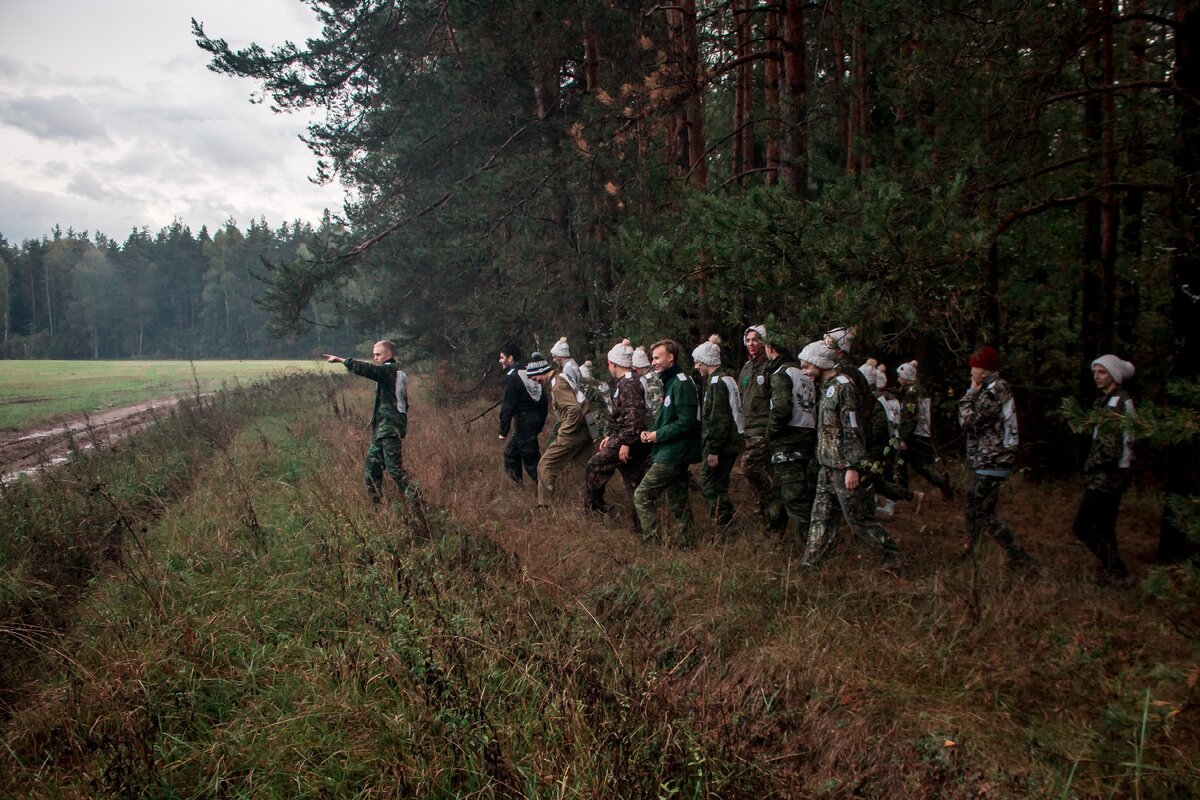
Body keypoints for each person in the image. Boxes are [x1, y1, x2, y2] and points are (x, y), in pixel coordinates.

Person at [798, 340, 901, 568]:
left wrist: (853, 467)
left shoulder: (844, 387)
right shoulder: (827, 387)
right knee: (820, 518)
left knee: (858, 520)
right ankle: (810, 564)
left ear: (818, 363)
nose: (804, 372)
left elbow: (852, 427)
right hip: (827, 465)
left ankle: (892, 557)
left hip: (844, 467)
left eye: (806, 367)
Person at [957, 345, 1034, 568]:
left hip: (993, 459)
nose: (971, 370)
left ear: (984, 369)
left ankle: (1017, 555)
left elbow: (970, 422)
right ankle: (974, 554)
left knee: (979, 510)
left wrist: (969, 395)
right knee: (979, 509)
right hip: (989, 459)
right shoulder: (992, 387)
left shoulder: (993, 390)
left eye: (974, 366)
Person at [1073, 354, 1137, 585]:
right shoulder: (1108, 400)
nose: (1096, 377)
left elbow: (1110, 448)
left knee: (1082, 526)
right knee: (1105, 527)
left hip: (1107, 476)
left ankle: (1117, 569)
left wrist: (1090, 466)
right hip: (1109, 475)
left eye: (1101, 372)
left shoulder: (1117, 403)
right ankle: (1113, 574)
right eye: (1094, 372)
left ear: (1114, 375)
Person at [324, 340, 415, 502]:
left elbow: (368, 370)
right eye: (373, 355)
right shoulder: (393, 373)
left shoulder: (390, 371)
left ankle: (420, 505)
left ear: (389, 355)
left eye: (378, 354)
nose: (375, 358)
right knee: (372, 470)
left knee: (395, 470)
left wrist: (342, 360)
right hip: (383, 430)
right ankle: (377, 507)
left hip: (389, 430)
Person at [635, 339, 702, 545]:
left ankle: (651, 541)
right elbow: (670, 418)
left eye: (657, 357)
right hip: (670, 450)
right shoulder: (669, 381)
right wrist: (652, 433)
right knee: (678, 498)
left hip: (675, 453)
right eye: (652, 358)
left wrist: (657, 435)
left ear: (670, 357)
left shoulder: (681, 383)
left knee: (642, 495)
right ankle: (688, 541)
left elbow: (686, 422)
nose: (653, 362)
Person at [584, 339, 652, 529]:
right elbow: (624, 417)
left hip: (631, 439)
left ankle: (595, 512)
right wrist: (612, 436)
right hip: (630, 438)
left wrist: (625, 443)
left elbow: (635, 420)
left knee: (594, 467)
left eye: (609, 364)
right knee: (634, 484)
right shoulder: (627, 382)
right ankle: (642, 528)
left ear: (613, 364)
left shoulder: (629, 384)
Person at [764, 333, 818, 541]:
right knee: (777, 493)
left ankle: (811, 545)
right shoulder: (803, 372)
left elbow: (781, 409)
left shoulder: (780, 374)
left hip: (787, 443)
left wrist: (770, 434)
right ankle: (774, 536)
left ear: (770, 348)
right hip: (807, 438)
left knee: (794, 498)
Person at [692, 334, 745, 527]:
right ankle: (727, 520)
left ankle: (723, 521)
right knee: (721, 483)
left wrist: (713, 449)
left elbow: (718, 418)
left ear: (706, 361)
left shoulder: (716, 383)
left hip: (721, 446)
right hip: (729, 444)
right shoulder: (726, 379)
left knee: (710, 484)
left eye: (698, 362)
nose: (696, 366)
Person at [860, 360, 922, 516]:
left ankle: (890, 503)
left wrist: (867, 441)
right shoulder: (891, 397)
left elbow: (880, 426)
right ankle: (898, 500)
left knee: (874, 477)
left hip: (881, 445)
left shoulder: (876, 399)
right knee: (882, 476)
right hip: (891, 442)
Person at [530, 357, 593, 507]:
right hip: (588, 429)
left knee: (545, 465)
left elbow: (574, 410)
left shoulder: (557, 385)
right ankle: (592, 506)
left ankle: (545, 507)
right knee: (582, 472)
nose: (534, 381)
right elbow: (584, 405)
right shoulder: (564, 377)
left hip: (575, 432)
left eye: (534, 377)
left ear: (541, 372)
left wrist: (564, 432)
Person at [895, 360, 954, 500]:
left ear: (906, 376)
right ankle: (942, 484)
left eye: (899, 376)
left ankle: (904, 494)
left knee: (901, 463)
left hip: (914, 435)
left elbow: (910, 418)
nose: (898, 379)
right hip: (922, 434)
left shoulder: (911, 393)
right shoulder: (920, 390)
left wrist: (904, 437)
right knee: (918, 465)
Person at [498, 342, 549, 483]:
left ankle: (545, 490)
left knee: (531, 459)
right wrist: (540, 422)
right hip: (535, 420)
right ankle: (519, 487)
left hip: (524, 422)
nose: (500, 360)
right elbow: (543, 400)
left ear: (510, 358)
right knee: (511, 453)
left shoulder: (513, 377)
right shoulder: (529, 372)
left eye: (502, 357)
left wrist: (503, 431)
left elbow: (508, 406)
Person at [738, 324, 774, 524]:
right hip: (748, 428)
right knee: (759, 473)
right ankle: (765, 513)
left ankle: (772, 502)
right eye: (748, 340)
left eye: (755, 339)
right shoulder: (746, 368)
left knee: (749, 466)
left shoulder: (769, 366)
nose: (751, 344)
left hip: (764, 427)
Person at [632, 346, 664, 416]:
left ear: (639, 367)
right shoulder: (647, 377)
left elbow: (657, 401)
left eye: (635, 369)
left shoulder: (650, 378)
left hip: (655, 417)